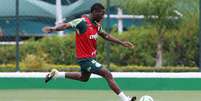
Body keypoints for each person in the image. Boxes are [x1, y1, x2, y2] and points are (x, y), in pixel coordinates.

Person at [42, 3, 136, 101]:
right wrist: (53, 29)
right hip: (85, 59)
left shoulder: (96, 25)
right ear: (94, 12)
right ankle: (125, 99)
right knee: (107, 74)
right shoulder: (82, 22)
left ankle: (57, 74)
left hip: (91, 58)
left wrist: (121, 43)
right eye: (102, 14)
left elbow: (105, 35)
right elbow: (66, 25)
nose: (103, 16)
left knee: (84, 78)